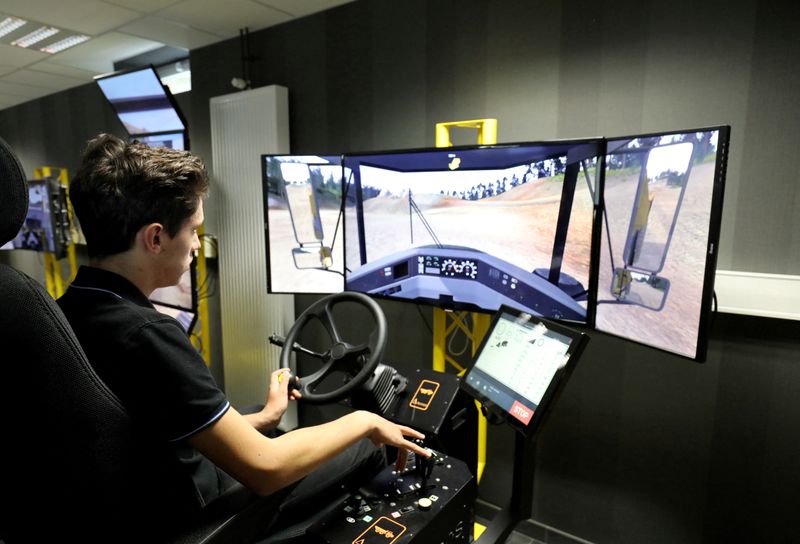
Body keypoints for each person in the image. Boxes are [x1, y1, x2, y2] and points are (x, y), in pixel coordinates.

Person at [57, 134, 429, 536]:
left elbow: (163, 430)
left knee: (278, 426)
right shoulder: (148, 335)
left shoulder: (66, 310)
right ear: (156, 237)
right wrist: (365, 421)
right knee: (363, 447)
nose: (197, 245)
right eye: (194, 230)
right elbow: (267, 469)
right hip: (192, 514)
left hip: (135, 497)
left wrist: (268, 416)